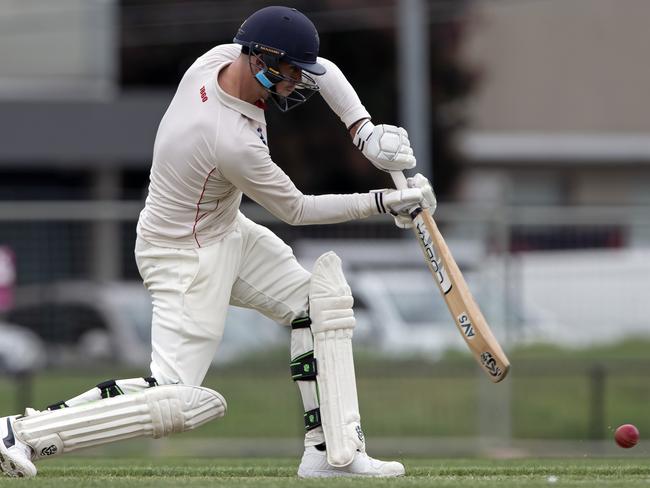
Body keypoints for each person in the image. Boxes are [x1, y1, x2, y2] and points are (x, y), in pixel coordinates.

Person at [0, 6, 436, 479]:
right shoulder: (230, 139)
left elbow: (325, 70)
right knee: (176, 397)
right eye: (290, 72)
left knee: (320, 304)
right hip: (183, 256)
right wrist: (382, 201)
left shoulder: (220, 57)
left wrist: (363, 130)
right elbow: (296, 210)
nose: (298, 82)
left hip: (226, 231)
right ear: (259, 60)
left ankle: (334, 453)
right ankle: (20, 432)